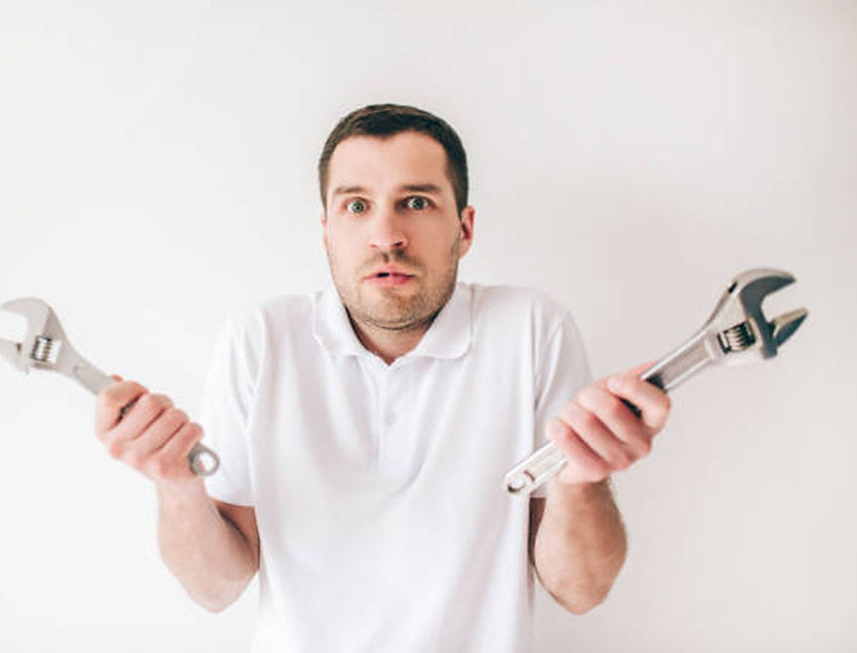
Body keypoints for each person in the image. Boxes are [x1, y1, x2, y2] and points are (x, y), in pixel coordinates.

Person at [94, 103, 672, 651]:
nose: (386, 235)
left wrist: (584, 480)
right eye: (356, 206)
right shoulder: (261, 338)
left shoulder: (532, 329)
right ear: (326, 229)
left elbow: (580, 588)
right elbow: (216, 587)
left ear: (465, 229)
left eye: (416, 203)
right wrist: (176, 486)